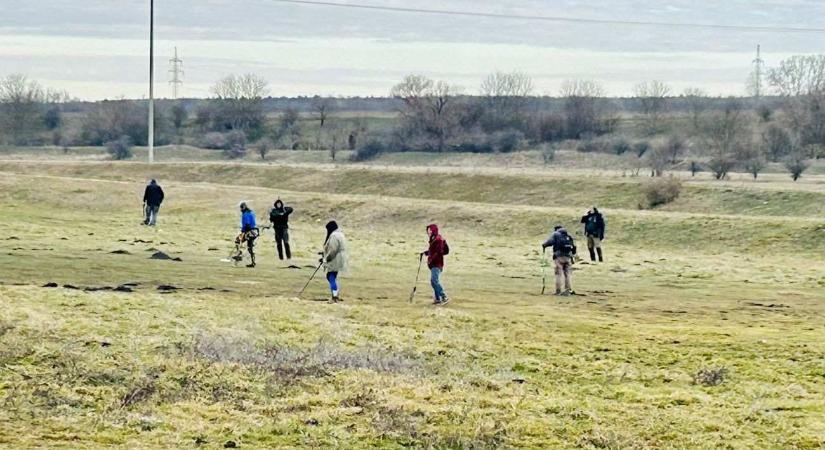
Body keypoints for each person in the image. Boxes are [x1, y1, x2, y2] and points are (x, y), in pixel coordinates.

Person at [542, 225, 576, 296]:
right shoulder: (568, 235)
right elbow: (573, 247)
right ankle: (568, 290)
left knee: (558, 274)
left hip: (559, 256)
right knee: (568, 274)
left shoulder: (556, 234)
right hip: (568, 257)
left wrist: (544, 245)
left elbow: (550, 242)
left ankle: (558, 291)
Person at [422, 224, 449, 305]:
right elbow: (433, 251)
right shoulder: (433, 239)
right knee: (434, 281)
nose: (428, 232)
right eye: (428, 230)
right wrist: (426, 253)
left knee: (434, 281)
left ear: (434, 230)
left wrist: (431, 259)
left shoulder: (438, 239)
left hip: (437, 264)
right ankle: (437, 299)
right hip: (434, 264)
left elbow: (438, 252)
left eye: (430, 230)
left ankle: (444, 297)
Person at [322, 221, 348, 303]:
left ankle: (334, 296)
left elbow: (333, 250)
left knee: (330, 276)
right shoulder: (340, 234)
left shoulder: (334, 235)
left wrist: (326, 259)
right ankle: (335, 294)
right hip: (340, 258)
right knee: (333, 276)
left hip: (335, 259)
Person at [238, 202, 258, 268]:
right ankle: (253, 262)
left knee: (238, 241)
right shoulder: (250, 212)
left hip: (250, 231)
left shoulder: (245, 214)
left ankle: (239, 255)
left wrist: (243, 231)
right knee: (250, 247)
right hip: (254, 231)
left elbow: (247, 224)